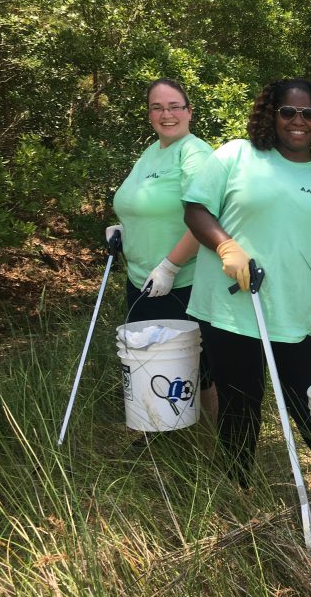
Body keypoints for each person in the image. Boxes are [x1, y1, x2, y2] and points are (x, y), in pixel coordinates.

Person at [183, 78, 311, 485]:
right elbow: (195, 210)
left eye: (308, 114)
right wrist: (227, 247)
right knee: (239, 404)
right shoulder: (235, 155)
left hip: (300, 314)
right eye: (288, 112)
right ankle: (238, 489)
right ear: (271, 114)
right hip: (233, 311)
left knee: (310, 403)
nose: (298, 121)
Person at [107, 78, 217, 423]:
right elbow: (145, 205)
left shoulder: (194, 152)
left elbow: (206, 217)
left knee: (201, 369)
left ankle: (220, 445)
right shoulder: (152, 151)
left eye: (174, 106)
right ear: (150, 114)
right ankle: (157, 431)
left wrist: (169, 266)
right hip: (141, 278)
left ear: (189, 112)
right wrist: (124, 229)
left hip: (184, 281)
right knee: (152, 362)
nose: (166, 114)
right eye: (157, 107)